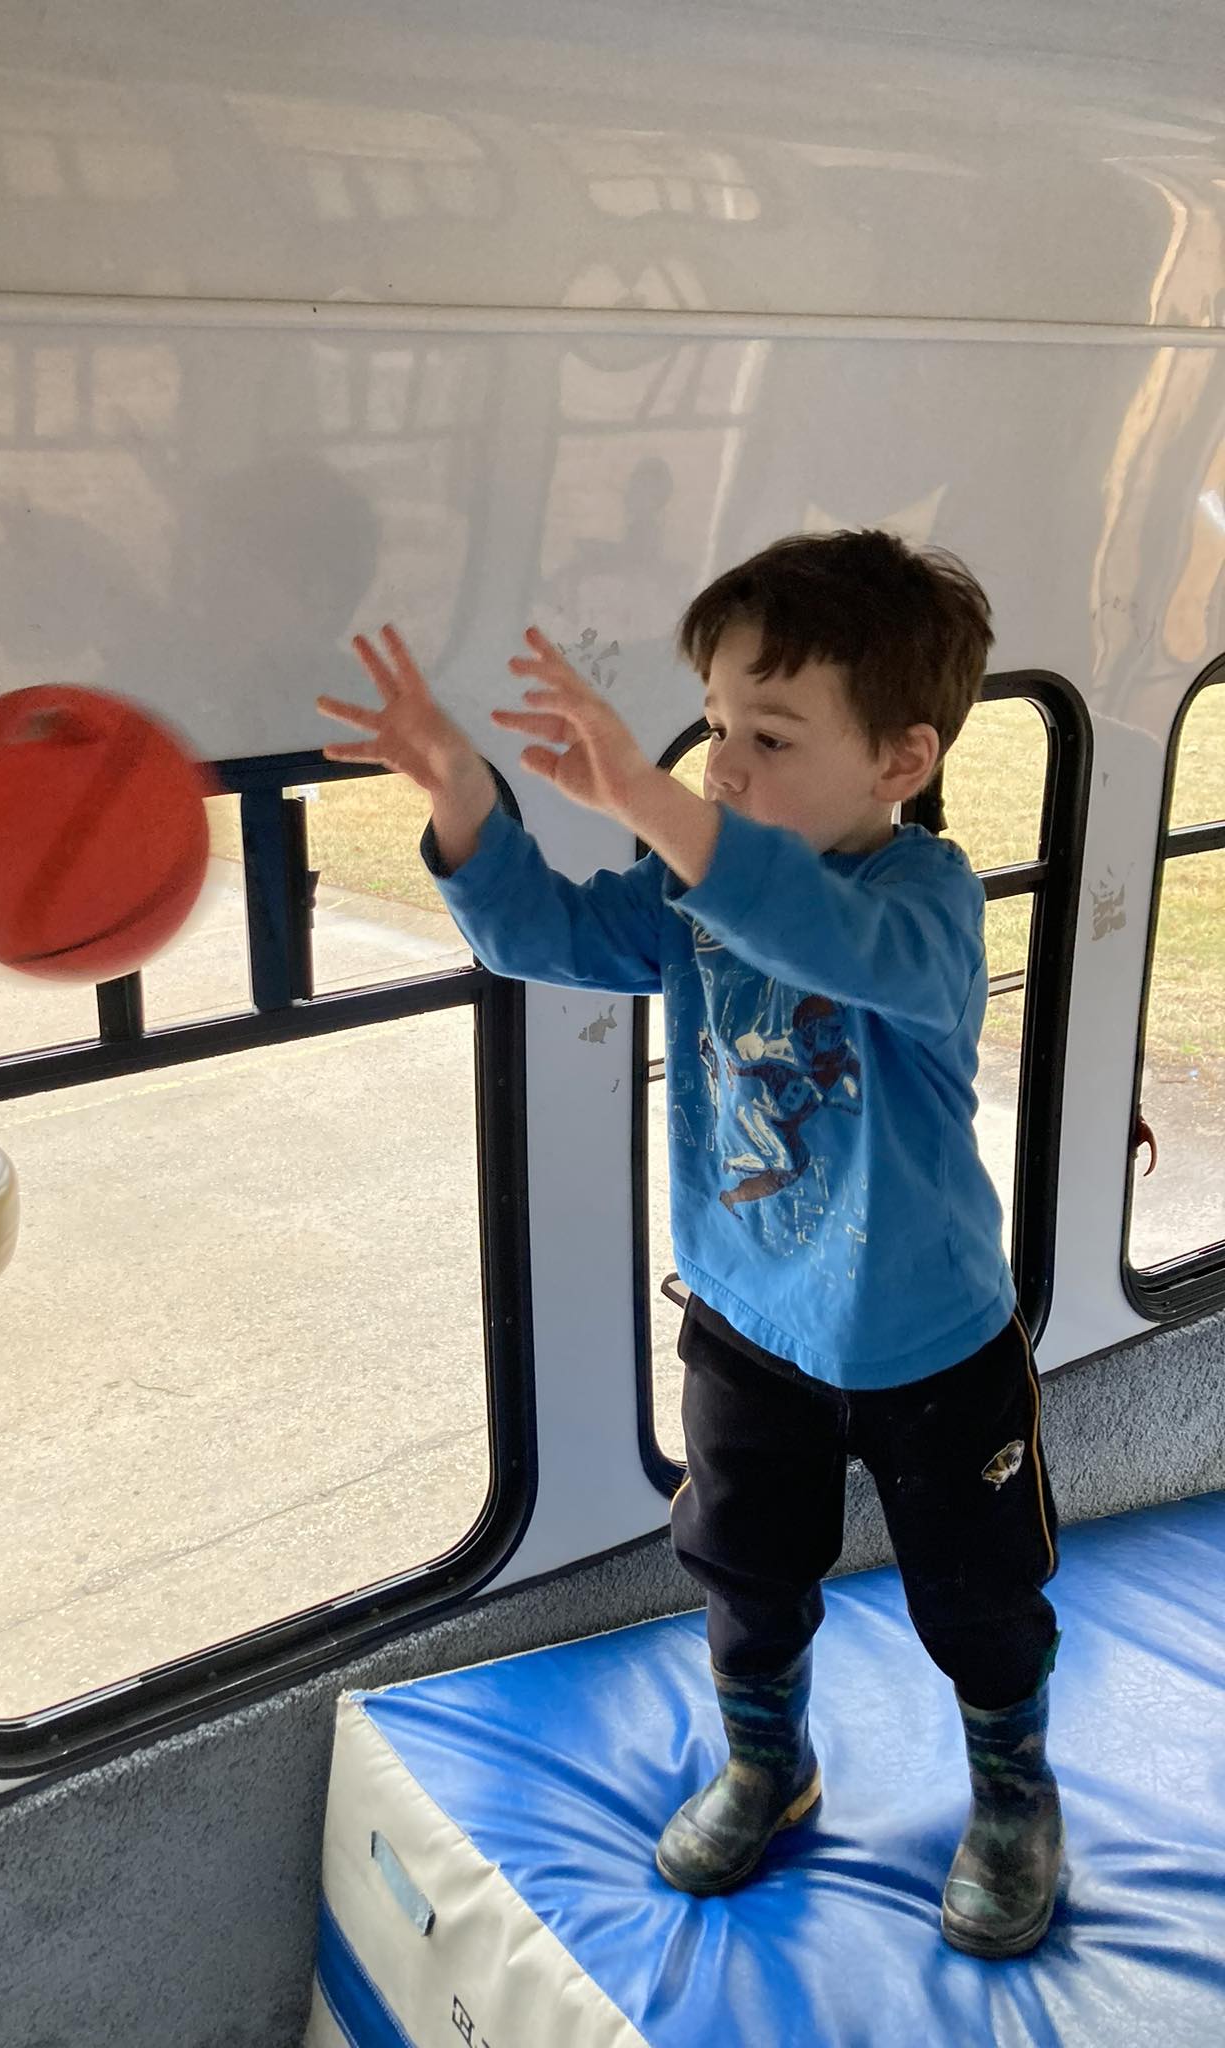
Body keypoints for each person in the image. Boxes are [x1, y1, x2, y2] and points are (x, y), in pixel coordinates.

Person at [316, 529, 1062, 1960]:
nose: (721, 764)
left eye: (770, 737)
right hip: (745, 1319)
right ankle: (769, 1764)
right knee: (742, 1568)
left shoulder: (927, 909)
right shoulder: (689, 895)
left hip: (931, 1344)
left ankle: (1015, 1793)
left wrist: (651, 798)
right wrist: (464, 796)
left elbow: (813, 935)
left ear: (900, 765)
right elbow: (537, 933)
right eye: (716, 727)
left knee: (977, 1597)